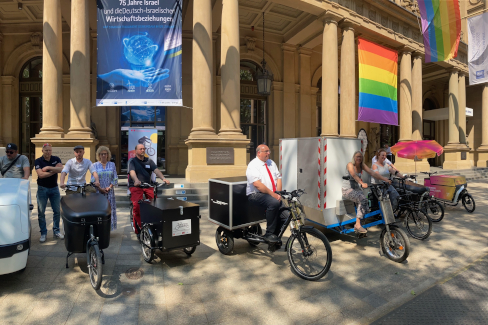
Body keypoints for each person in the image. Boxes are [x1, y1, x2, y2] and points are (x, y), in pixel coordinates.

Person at [246, 144, 287, 244]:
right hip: (256, 195)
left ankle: (274, 237)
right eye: (266, 151)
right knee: (273, 203)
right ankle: (269, 233)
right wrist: (273, 195)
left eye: (269, 151)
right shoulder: (253, 165)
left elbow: (278, 177)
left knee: (287, 215)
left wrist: (278, 193)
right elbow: (257, 184)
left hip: (272, 195)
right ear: (259, 153)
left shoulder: (271, 163)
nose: (269, 153)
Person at [342, 151, 391, 234]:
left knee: (367, 204)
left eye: (360, 157)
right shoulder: (350, 165)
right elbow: (354, 175)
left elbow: (372, 173)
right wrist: (361, 183)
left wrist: (385, 179)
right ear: (354, 157)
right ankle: (357, 225)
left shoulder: (362, 165)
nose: (359, 158)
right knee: (363, 200)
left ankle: (361, 225)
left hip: (357, 189)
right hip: (347, 189)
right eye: (357, 156)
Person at [129, 144, 170, 239]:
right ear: (136, 151)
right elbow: (132, 172)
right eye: (140, 149)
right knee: (137, 207)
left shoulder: (149, 161)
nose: (143, 150)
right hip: (136, 186)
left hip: (148, 185)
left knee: (155, 205)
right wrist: (135, 180)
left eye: (144, 149)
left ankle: (156, 226)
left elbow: (156, 170)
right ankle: (139, 229)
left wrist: (163, 178)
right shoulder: (132, 161)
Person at [34, 143, 64, 242]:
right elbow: (41, 175)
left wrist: (48, 168)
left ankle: (56, 231)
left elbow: (62, 169)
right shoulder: (38, 161)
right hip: (42, 189)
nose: (48, 152)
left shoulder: (56, 158)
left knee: (57, 211)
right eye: (46, 150)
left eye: (50, 150)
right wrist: (54, 170)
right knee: (41, 212)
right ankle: (43, 233)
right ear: (42, 151)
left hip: (54, 188)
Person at [91, 146, 118, 231]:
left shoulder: (112, 164)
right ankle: (99, 228)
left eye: (105, 154)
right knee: (100, 210)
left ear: (108, 155)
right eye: (101, 154)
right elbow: (92, 179)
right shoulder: (94, 165)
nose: (103, 155)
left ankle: (108, 228)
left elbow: (115, 178)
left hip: (109, 192)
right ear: (99, 155)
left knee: (109, 209)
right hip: (98, 192)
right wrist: (99, 188)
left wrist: (109, 187)